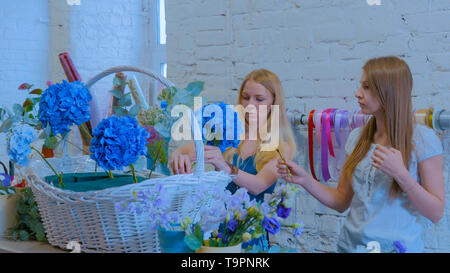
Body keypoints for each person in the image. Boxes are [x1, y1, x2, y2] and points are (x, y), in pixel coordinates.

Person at [277, 56, 444, 253]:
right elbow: (341, 201)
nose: (357, 94)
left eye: (367, 87)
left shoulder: (423, 139)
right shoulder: (357, 138)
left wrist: (402, 175)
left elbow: (436, 212)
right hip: (350, 247)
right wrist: (304, 179)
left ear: (389, 91)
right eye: (360, 86)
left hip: (397, 249)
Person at [170, 68, 297, 250]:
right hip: (214, 234)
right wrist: (179, 156)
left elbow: (257, 185)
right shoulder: (228, 131)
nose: (249, 105)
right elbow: (188, 149)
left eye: (259, 99)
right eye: (245, 97)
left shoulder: (282, 147)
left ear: (274, 103)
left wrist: (224, 165)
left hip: (249, 236)